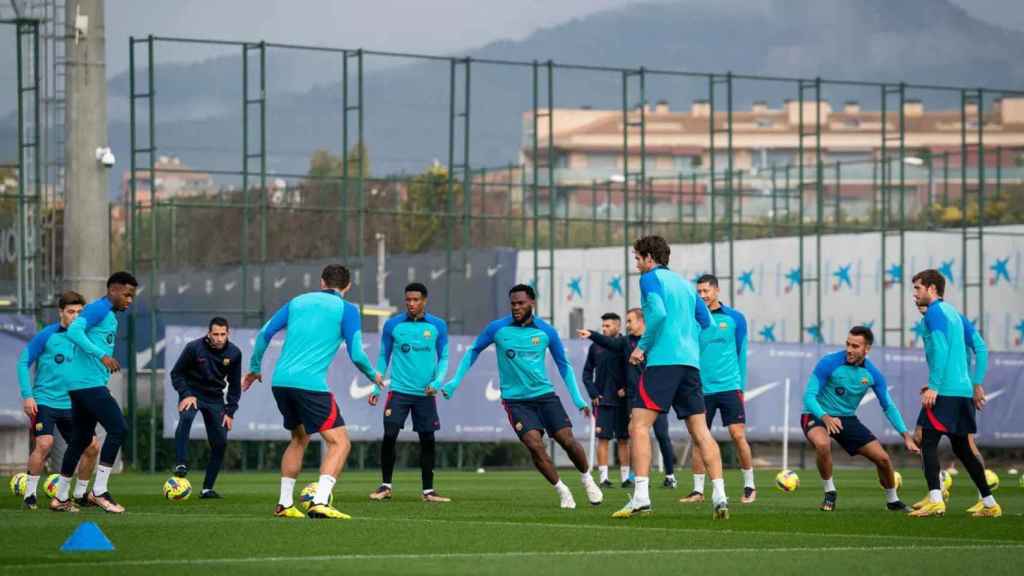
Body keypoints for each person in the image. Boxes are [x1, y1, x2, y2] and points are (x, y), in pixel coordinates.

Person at [442, 284, 603, 509]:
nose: (516, 307)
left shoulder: (546, 331)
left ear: (532, 303)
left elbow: (563, 365)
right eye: (513, 304)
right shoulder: (497, 328)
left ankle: (587, 478)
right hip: (516, 402)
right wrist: (454, 382)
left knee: (567, 440)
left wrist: (577, 399)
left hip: (545, 396)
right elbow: (473, 351)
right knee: (534, 445)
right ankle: (562, 490)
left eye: (521, 303)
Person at [244, 264, 383, 519]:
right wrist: (373, 374)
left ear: (322, 282)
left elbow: (265, 334)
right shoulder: (348, 310)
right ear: (348, 286)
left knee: (299, 438)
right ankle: (320, 501)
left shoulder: (297, 301)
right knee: (340, 442)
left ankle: (284, 504)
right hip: (310, 385)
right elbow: (357, 353)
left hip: (281, 382)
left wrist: (254, 368)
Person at [613, 235, 729, 520]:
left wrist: (642, 347)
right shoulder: (687, 287)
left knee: (638, 426)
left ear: (649, 258)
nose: (636, 264)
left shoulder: (650, 279)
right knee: (701, 432)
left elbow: (660, 316)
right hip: (689, 366)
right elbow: (710, 326)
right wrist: (691, 351)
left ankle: (641, 498)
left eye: (637, 258)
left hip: (663, 364)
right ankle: (720, 497)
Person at [908, 269, 1000, 518]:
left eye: (917, 288)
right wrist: (976, 383)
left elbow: (940, 349)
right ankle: (990, 503)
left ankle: (936, 498)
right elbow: (980, 347)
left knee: (926, 440)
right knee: (962, 448)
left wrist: (935, 385)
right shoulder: (955, 315)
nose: (914, 294)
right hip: (962, 392)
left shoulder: (935, 313)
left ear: (931, 289)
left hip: (945, 391)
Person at [801, 326, 919, 512]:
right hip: (816, 413)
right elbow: (809, 396)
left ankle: (893, 501)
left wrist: (906, 436)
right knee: (823, 444)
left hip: (846, 418)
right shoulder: (829, 363)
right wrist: (826, 417)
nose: (849, 349)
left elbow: (888, 406)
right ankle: (830, 491)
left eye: (855, 346)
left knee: (883, 459)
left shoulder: (873, 374)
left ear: (867, 349)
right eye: (848, 344)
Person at [51, 272, 137, 514]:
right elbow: (73, 332)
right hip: (88, 385)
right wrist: (102, 355)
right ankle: (99, 490)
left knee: (79, 439)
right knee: (119, 428)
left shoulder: (106, 313)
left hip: (82, 385)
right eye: (127, 295)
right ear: (114, 291)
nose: (130, 300)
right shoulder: (100, 309)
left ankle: (60, 498)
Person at [16, 291, 100, 509]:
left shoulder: (87, 337)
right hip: (45, 401)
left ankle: (81, 494)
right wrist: (28, 396)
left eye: (80, 312)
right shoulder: (47, 335)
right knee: (45, 443)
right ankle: (30, 495)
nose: (75, 316)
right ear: (61, 312)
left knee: (91, 447)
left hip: (74, 405)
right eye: (71, 311)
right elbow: (23, 361)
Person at [368, 283, 451, 503]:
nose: (411, 304)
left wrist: (438, 381)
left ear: (424, 300)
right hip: (398, 392)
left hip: (425, 393)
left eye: (416, 300)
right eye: (408, 300)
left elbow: (443, 357)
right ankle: (385, 486)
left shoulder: (437, 326)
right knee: (389, 436)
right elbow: (383, 356)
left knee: (427, 440)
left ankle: (428, 491)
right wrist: (377, 386)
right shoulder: (393, 325)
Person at [578, 308, 677, 488]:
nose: (628, 324)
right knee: (635, 435)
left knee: (662, 434)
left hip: (656, 395)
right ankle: (635, 476)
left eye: (630, 321)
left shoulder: (655, 341)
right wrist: (592, 334)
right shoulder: (625, 343)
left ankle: (670, 476)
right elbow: (607, 343)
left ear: (641, 322)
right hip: (635, 399)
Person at [681, 274, 756, 504]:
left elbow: (741, 352)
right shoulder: (692, 320)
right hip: (701, 388)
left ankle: (749, 486)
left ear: (717, 291)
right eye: (699, 292)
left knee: (737, 434)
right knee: (699, 437)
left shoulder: (735, 318)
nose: (702, 296)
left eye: (706, 291)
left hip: (730, 387)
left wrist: (740, 388)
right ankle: (697, 491)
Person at [170, 316, 242, 498]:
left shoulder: (234, 353)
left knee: (221, 443)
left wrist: (230, 411)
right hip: (193, 394)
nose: (219, 338)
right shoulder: (194, 348)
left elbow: (234, 385)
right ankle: (181, 463)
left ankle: (207, 488)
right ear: (208, 333)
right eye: (215, 334)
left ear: (228, 334)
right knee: (186, 417)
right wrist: (186, 394)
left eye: (222, 334)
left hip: (215, 399)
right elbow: (176, 373)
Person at [580, 312, 630, 488]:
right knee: (603, 439)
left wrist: (627, 388)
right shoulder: (595, 347)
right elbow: (586, 373)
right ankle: (603, 479)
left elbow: (634, 370)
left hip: (624, 402)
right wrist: (593, 393)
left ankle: (626, 479)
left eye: (608, 326)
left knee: (624, 439)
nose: (605, 329)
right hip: (603, 401)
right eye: (603, 326)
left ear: (618, 326)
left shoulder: (626, 344)